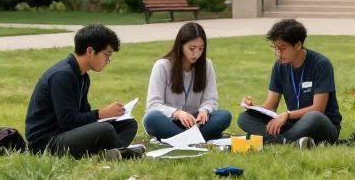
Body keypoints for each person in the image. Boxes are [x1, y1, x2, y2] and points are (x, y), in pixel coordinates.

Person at [25, 24, 142, 159]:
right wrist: (101, 113)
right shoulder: (63, 75)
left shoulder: (82, 76)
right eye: (107, 54)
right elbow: (67, 121)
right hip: (47, 143)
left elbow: (82, 115)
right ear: (90, 51)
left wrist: (108, 116)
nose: (108, 60)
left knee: (128, 124)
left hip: (66, 134)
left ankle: (112, 152)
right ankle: (117, 152)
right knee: (105, 130)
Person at [238, 18, 341, 147]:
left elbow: (318, 108)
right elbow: (271, 105)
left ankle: (278, 140)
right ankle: (288, 141)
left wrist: (287, 115)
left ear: (298, 45)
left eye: (282, 48)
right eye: (275, 48)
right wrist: (254, 108)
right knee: (244, 118)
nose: (278, 53)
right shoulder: (279, 66)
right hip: (292, 124)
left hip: (321, 125)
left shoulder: (320, 64)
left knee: (313, 117)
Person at [143, 22, 232, 141]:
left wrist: (205, 110)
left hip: (195, 122)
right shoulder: (162, 66)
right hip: (170, 120)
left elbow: (211, 99)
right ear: (181, 45)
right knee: (151, 118)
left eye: (201, 49)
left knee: (225, 115)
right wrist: (177, 113)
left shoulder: (207, 65)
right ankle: (195, 139)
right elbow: (153, 105)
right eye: (192, 48)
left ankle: (183, 139)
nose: (196, 54)